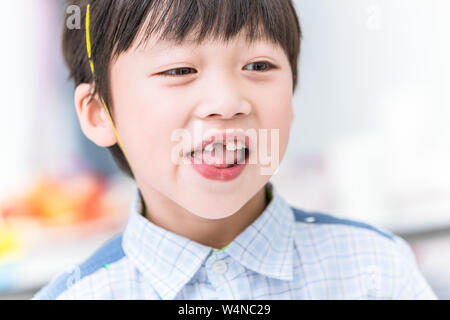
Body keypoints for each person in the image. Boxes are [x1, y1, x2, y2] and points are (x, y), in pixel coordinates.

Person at [34, 0, 437, 300]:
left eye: (259, 66)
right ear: (99, 113)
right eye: (180, 71)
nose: (227, 102)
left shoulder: (378, 269)